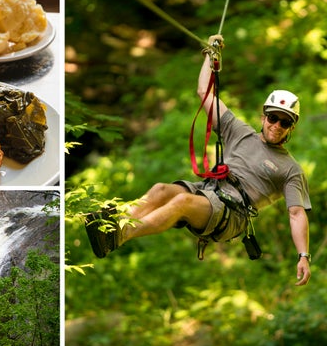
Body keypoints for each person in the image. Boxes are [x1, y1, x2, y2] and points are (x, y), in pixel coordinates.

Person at [86, 34, 312, 286]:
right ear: (263, 117)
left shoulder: (291, 169)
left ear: (292, 127)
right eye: (273, 118)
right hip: (209, 191)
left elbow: (296, 213)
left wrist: (303, 255)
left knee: (181, 201)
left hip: (232, 213)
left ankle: (119, 234)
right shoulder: (240, 132)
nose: (277, 126)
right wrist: (210, 54)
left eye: (285, 122)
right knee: (162, 189)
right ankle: (111, 226)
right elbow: (205, 92)